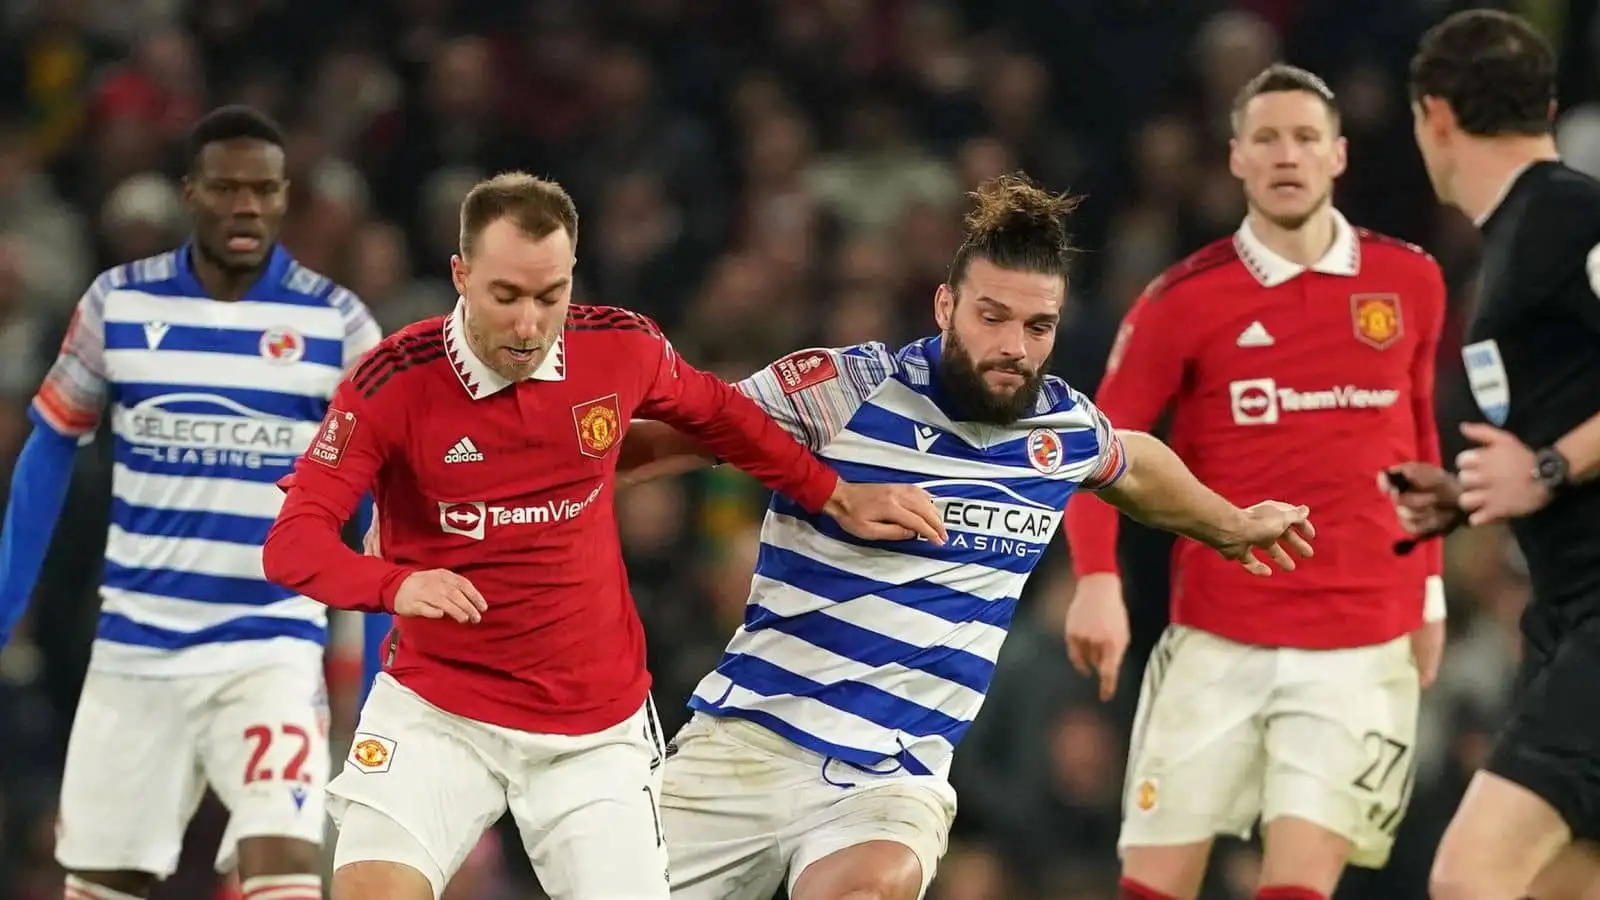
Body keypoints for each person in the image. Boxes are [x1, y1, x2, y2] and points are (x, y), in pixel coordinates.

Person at [609, 172, 1319, 900]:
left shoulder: (1060, 432)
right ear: (945, 304)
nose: (1013, 345)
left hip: (892, 780)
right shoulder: (841, 391)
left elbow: (1134, 463)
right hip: (746, 745)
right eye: (992, 316)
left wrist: (1229, 525)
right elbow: (650, 449)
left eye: (1037, 327)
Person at [260, 171, 947, 900]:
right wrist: (396, 584)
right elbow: (292, 546)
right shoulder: (391, 382)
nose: (529, 324)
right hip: (439, 709)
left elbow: (718, 414)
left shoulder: (618, 347)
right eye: (506, 297)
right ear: (460, 275)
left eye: (549, 296)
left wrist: (832, 492)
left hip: (591, 728)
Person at [1060, 66, 1449, 900]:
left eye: (1306, 137)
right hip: (1218, 634)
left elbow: (1417, 434)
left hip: (1361, 636)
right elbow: (1089, 445)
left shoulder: (1411, 280)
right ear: (1235, 158)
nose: (1287, 155)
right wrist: (1095, 579)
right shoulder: (1183, 301)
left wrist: (1431, 595)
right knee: (1154, 886)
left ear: (1338, 154)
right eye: (1266, 138)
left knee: (1299, 886)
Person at [0, 106, 380, 900]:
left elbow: (385, 503)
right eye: (226, 188)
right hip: (137, 648)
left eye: (264, 190)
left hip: (270, 646)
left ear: (284, 199)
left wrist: (380, 677)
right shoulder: (117, 305)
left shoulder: (338, 325)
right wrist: (5, 608)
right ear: (190, 193)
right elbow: (47, 450)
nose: (246, 206)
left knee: (286, 874)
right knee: (102, 885)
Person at [1389, 11, 1600, 900]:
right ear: (1545, 104)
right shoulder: (1517, 236)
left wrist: (1546, 467)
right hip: (1563, 615)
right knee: (1563, 881)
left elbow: (1547, 453)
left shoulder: (1566, 213)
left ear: (1433, 115)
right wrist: (1471, 493)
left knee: (1472, 878)